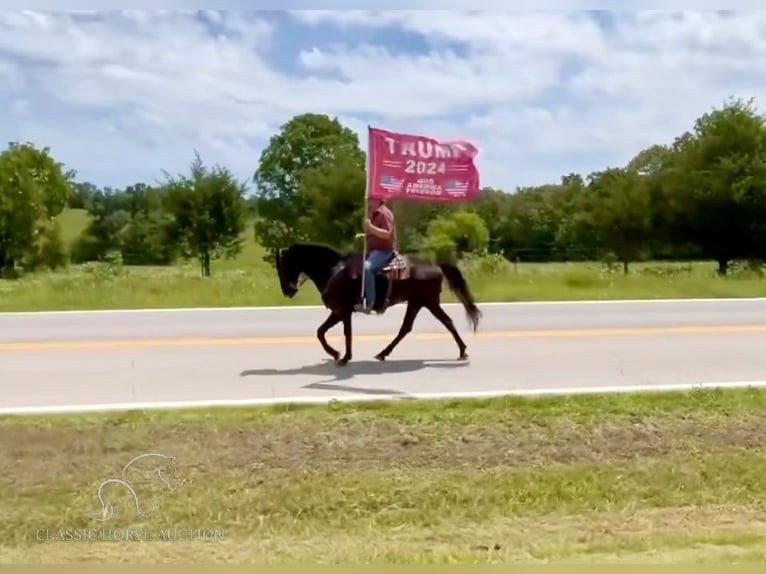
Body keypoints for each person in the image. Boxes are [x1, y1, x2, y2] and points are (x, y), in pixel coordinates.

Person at [355, 198, 396, 313]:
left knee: (367, 268)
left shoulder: (384, 213)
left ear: (378, 200)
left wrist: (370, 227)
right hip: (373, 250)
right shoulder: (373, 213)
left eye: (370, 201)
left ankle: (370, 302)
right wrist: (365, 235)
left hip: (384, 251)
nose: (368, 203)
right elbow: (375, 233)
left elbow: (386, 234)